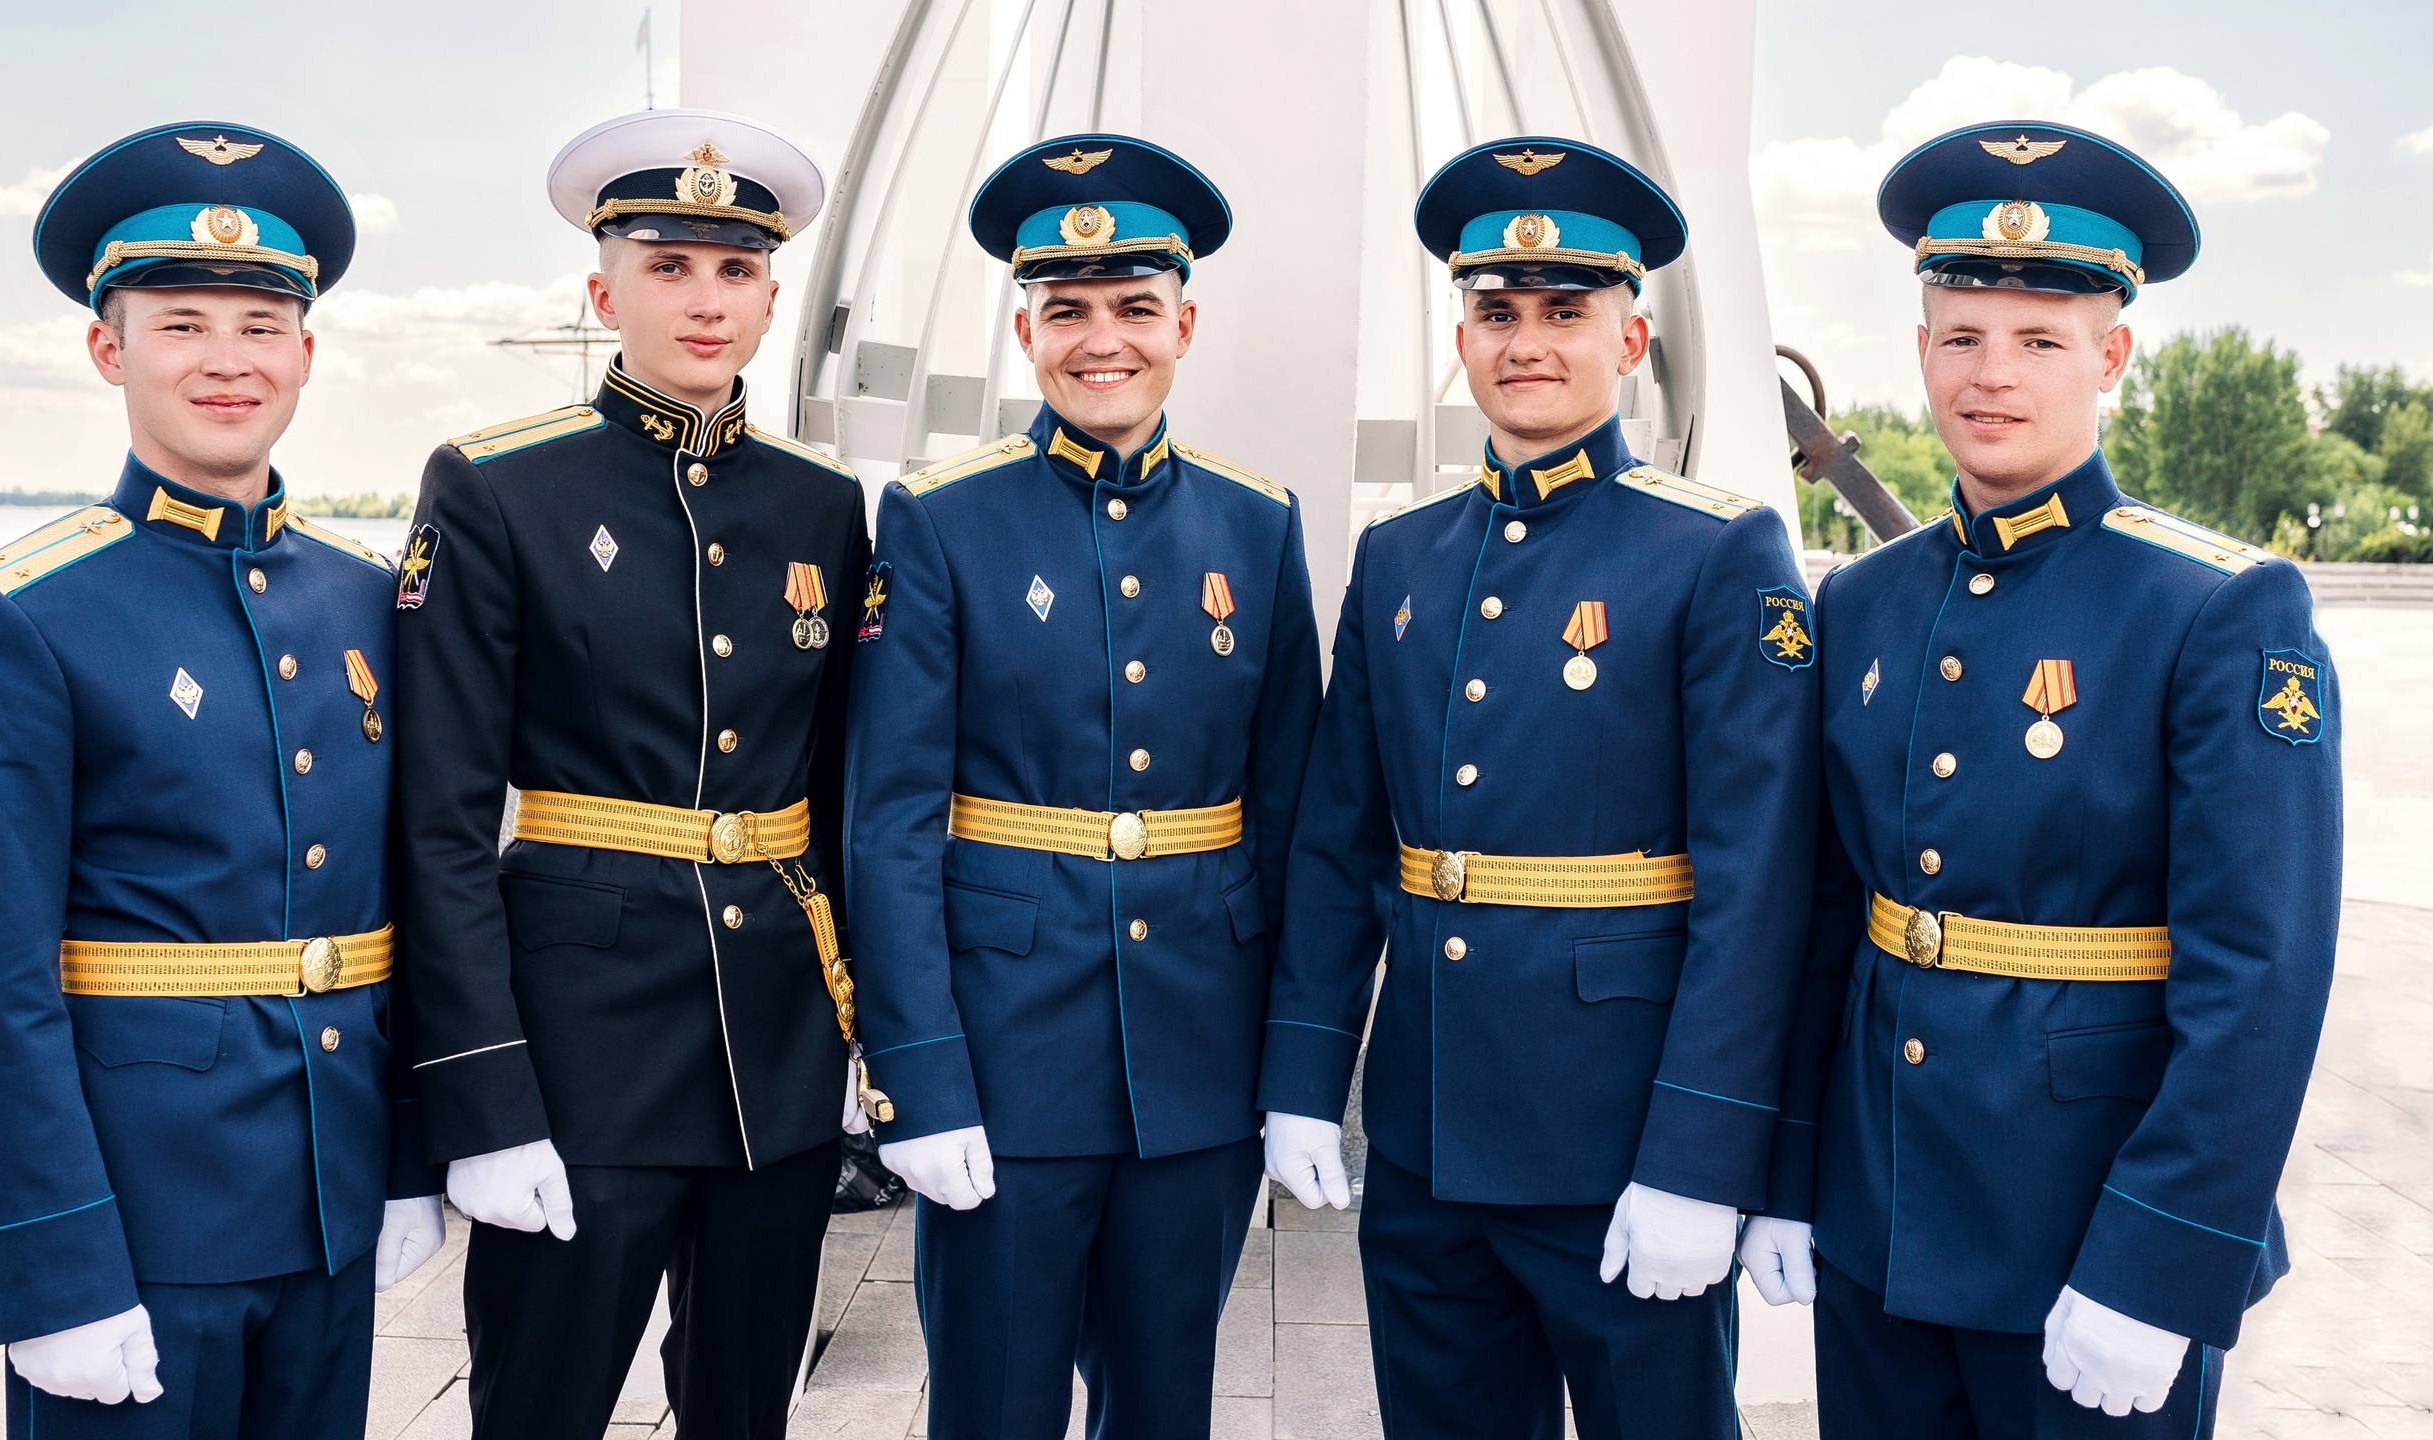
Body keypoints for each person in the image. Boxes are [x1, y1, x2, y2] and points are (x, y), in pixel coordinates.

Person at [1740, 121, 2341, 1438]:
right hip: (1880, 1218)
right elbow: (1828, 917)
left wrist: (2162, 1262)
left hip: (2087, 1241)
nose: (1991, 374)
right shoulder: (1869, 602)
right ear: (1921, 351)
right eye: (1962, 335)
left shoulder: (2218, 608)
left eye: (2039, 340)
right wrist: (1791, 1173)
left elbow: (2261, 977)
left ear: (2111, 357)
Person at [1254, 136, 1821, 1439]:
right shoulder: (1400, 559)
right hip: (1427, 1134)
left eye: (1567, 312)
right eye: (1494, 312)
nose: (1527, 342)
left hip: (1618, 1149)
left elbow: (1757, 888)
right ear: (1459, 336)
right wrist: (1302, 1078)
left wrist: (1701, 1160)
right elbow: (1342, 845)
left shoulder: (1716, 550)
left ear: (1630, 342)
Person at [0, 121, 445, 1438]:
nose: (228, 359)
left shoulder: (367, 598)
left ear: (307, 355)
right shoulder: (20, 613)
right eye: (182, 321)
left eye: (262, 325)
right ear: (109, 348)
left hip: (330, 1204)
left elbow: (414, 900)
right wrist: (52, 1272)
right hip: (140, 1233)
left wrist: (404, 1166)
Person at [390, 110, 871, 1440]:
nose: (704, 301)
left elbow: (837, 793)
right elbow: (437, 821)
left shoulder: (819, 504)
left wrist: (859, 1034)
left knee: (745, 1411)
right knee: (540, 1406)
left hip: (774, 1045)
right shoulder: (499, 488)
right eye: (669, 267)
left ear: (772, 296)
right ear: (602, 290)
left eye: (734, 271)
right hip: (579, 1051)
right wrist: (483, 1097)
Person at [844, 133, 1322, 1439]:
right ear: (1026, 332)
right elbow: (887, 822)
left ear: (1185, 322)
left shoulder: (1257, 523)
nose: (1100, 338)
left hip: (1199, 1055)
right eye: (1067, 310)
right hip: (1002, 1055)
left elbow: (1293, 820)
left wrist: (1294, 1069)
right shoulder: (940, 520)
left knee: (1165, 1402)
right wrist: (919, 1078)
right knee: (994, 1405)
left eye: (1132, 308)